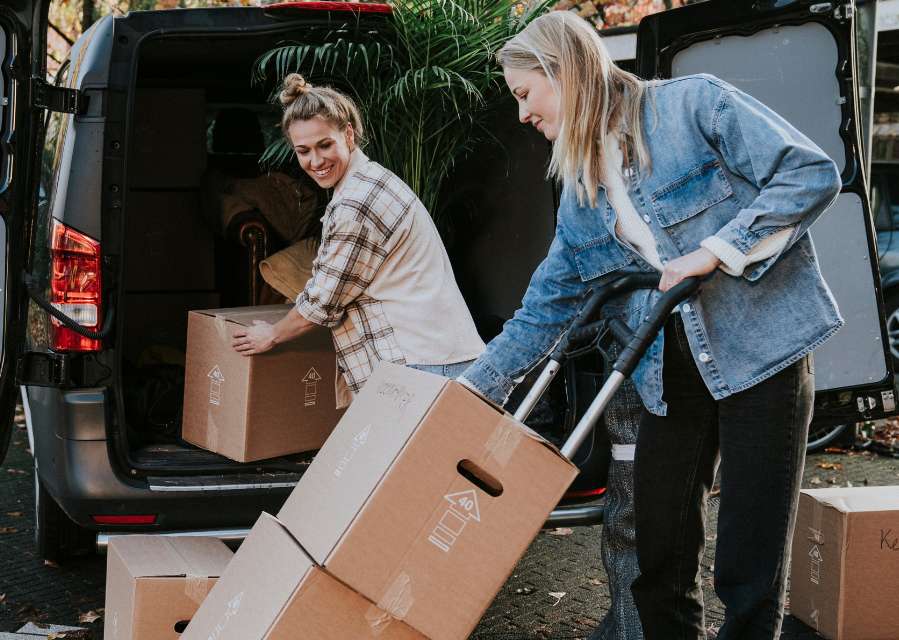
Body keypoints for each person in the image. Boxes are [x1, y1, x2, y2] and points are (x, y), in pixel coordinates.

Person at [459, 11, 842, 640]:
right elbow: (545, 307)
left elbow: (809, 173)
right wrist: (471, 393)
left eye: (525, 94)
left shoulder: (694, 106)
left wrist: (717, 249)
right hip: (670, 372)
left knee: (750, 565)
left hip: (762, 354)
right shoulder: (582, 193)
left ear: (565, 71)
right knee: (657, 558)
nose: (522, 115)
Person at [232, 74, 485, 394]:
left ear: (348, 134)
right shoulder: (368, 180)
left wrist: (271, 334)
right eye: (303, 150)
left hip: (423, 361)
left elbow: (323, 302)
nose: (316, 161)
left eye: (325, 145)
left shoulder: (356, 203)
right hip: (434, 355)